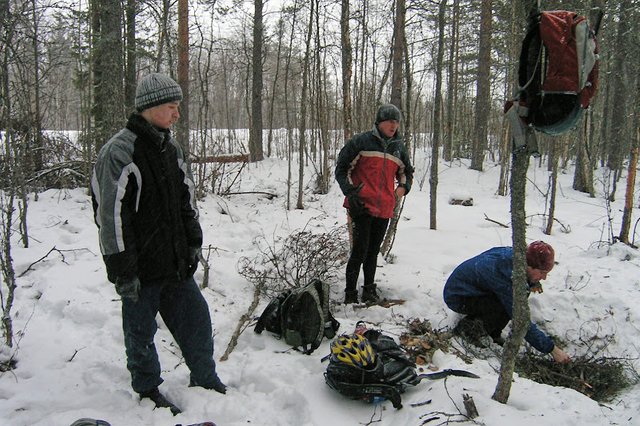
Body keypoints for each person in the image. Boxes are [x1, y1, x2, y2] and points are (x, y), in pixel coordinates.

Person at [91, 73, 226, 414]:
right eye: (171, 107)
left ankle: (206, 378)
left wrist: (193, 241)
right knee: (140, 332)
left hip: (175, 262)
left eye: (177, 106)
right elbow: (111, 217)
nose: (177, 114)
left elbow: (186, 199)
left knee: (196, 319)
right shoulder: (120, 152)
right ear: (150, 108)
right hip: (139, 268)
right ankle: (148, 388)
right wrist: (123, 269)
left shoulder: (171, 148)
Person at [335, 104, 414, 304]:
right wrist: (351, 193)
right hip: (361, 205)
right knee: (359, 251)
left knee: (373, 252)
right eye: (390, 121)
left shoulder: (398, 147)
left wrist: (403, 188)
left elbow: (406, 172)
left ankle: (369, 290)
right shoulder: (361, 142)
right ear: (379, 122)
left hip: (385, 208)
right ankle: (350, 295)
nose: (394, 126)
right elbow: (342, 168)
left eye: (396, 122)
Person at [443, 241, 571, 363]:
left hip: (478, 289)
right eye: (542, 273)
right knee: (505, 306)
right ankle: (468, 329)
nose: (544, 278)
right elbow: (520, 318)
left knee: (508, 302)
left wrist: (531, 282)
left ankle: (492, 332)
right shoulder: (506, 275)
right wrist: (552, 349)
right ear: (529, 266)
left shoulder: (517, 259)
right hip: (458, 295)